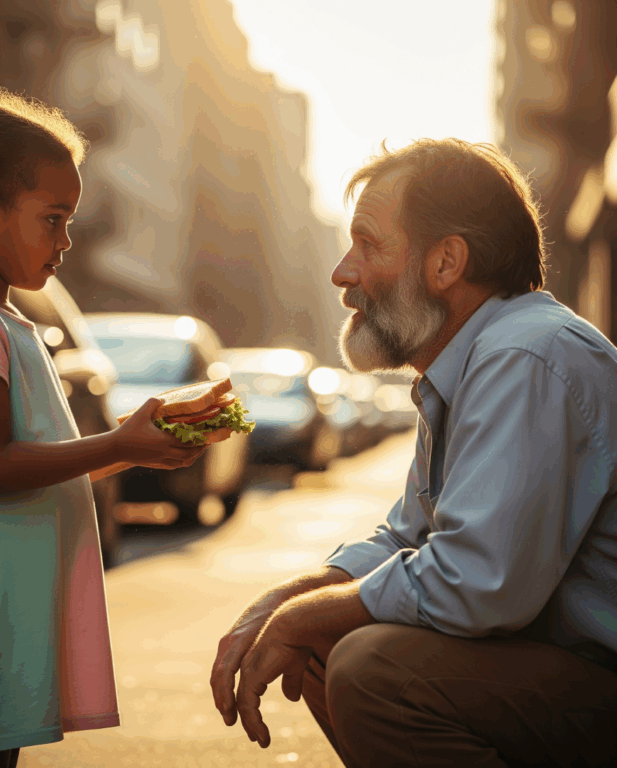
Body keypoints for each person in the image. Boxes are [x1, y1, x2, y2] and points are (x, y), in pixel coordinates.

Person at [210, 138, 617, 767]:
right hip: (562, 668)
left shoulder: (523, 356)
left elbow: (477, 582)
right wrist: (291, 601)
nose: (342, 273)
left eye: (369, 245)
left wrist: (306, 618)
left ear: (445, 263)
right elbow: (409, 536)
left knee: (370, 667)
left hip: (598, 676)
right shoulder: (467, 360)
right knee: (333, 631)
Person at [0, 89, 208, 768]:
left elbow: (39, 461)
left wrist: (136, 448)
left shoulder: (1, 322)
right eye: (52, 218)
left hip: (7, 587)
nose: (66, 239)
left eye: (70, 220)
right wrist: (117, 442)